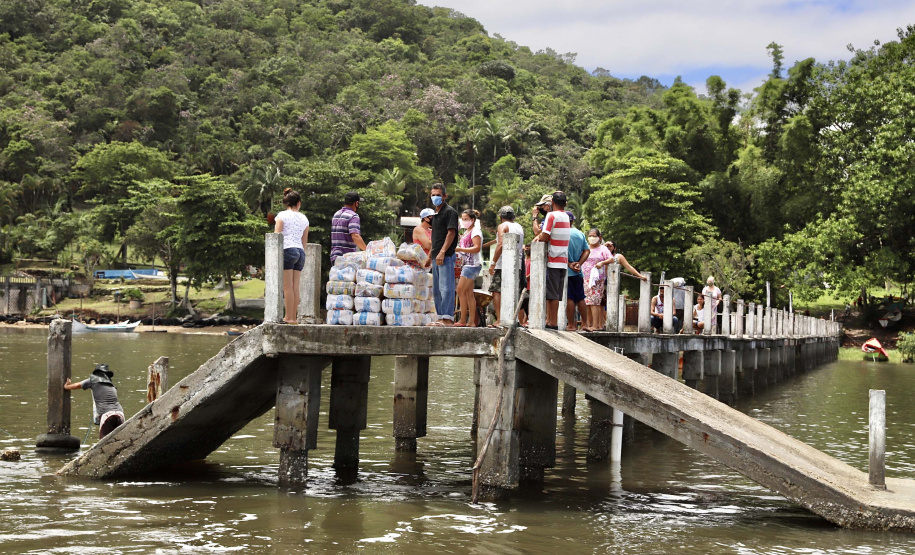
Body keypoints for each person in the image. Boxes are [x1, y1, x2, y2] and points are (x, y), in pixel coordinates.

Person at [534, 191, 570, 330]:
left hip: (553, 258)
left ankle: (552, 322)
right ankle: (550, 319)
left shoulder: (551, 215)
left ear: (552, 203)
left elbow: (545, 236)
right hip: (562, 258)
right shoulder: (566, 216)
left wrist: (538, 238)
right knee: (555, 293)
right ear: (565, 203)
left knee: (552, 293)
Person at [274, 188, 309, 324]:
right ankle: (293, 317)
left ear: (286, 202)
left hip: (288, 249)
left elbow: (277, 236)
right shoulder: (304, 218)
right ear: (298, 203)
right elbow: (304, 240)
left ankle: (288, 317)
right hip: (300, 252)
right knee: (295, 287)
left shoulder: (281, 216)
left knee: (287, 287)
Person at [64, 364, 125, 440]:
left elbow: (77, 385)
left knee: (104, 442)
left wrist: (67, 386)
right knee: (119, 440)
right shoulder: (112, 385)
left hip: (107, 415)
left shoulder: (93, 379)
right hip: (120, 414)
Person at [428, 184, 459, 326]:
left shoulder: (450, 212)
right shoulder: (435, 214)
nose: (435, 197)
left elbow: (451, 233)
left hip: (445, 256)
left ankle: (447, 318)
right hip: (436, 256)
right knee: (437, 289)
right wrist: (430, 256)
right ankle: (440, 316)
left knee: (446, 287)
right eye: (433, 195)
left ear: (445, 196)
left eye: (438, 195)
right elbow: (435, 237)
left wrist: (442, 252)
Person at [489, 206, 525, 324]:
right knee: (514, 291)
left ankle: (499, 319)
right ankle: (514, 319)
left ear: (501, 217)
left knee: (496, 290)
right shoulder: (519, 227)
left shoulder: (502, 226)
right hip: (517, 264)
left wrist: (493, 263)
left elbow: (500, 244)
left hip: (503, 264)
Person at [454, 209, 483, 327]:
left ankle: (463, 320)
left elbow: (476, 248)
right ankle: (471, 321)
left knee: (460, 290)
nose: (464, 221)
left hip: (472, 265)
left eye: (466, 219)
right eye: (463, 219)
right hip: (466, 265)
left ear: (473, 220)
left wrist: (460, 249)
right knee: (468, 293)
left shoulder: (475, 231)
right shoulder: (466, 232)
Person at [581, 228, 613, 331]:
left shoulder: (603, 249)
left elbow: (611, 259)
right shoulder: (585, 248)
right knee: (587, 302)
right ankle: (588, 324)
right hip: (584, 277)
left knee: (595, 301)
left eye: (594, 235)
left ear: (599, 237)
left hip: (597, 279)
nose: (592, 238)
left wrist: (602, 263)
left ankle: (595, 325)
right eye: (590, 235)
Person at [564, 212, 590, 331]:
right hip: (578, 271)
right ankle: (585, 324)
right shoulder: (580, 234)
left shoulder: (561, 233)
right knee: (580, 297)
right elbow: (587, 251)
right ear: (573, 221)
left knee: (569, 298)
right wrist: (579, 263)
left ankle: (571, 324)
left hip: (567, 270)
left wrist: (570, 264)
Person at [330, 192, 365, 264]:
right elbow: (355, 236)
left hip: (335, 256)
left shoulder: (336, 214)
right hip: (347, 258)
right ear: (356, 203)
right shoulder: (353, 216)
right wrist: (367, 250)